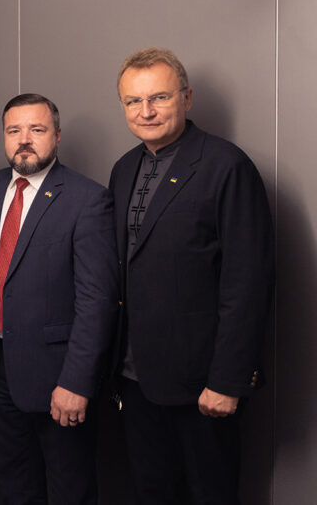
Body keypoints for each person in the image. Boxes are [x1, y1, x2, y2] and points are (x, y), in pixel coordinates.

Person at [109, 47, 274, 504]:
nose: (146, 111)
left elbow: (248, 282)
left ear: (186, 97)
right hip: (136, 380)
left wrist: (227, 380)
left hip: (203, 384)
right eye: (133, 101)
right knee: (151, 493)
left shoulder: (226, 166)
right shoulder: (124, 169)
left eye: (159, 97)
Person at [0, 93, 119, 504]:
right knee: (13, 486)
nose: (24, 139)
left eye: (36, 129)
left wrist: (75, 381)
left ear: (57, 135)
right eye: (14, 130)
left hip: (58, 377)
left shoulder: (86, 199)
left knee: (69, 490)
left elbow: (96, 302)